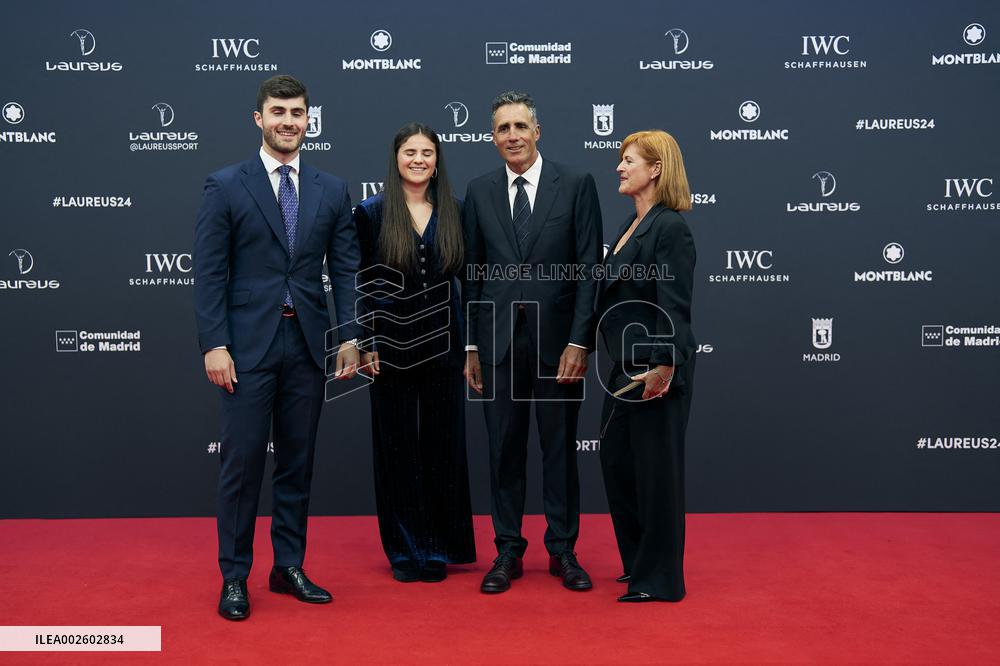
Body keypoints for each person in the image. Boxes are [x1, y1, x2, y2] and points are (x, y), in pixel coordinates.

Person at [194, 74, 362, 620]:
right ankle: (235, 576)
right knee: (242, 465)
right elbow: (209, 273)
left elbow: (345, 268)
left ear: (308, 120)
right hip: (245, 347)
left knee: (297, 462)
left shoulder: (331, 189)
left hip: (308, 344)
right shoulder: (226, 184)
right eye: (278, 112)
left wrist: (350, 334)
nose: (289, 121)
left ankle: (288, 565)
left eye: (297, 112)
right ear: (258, 119)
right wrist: (215, 343)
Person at [462, 91, 602, 594]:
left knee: (560, 450)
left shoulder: (577, 184)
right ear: (493, 136)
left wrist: (580, 340)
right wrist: (472, 348)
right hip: (497, 345)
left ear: (538, 131)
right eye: (503, 128)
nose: (513, 136)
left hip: (557, 346)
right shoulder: (478, 192)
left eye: (521, 126)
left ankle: (563, 551)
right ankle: (507, 551)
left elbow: (590, 270)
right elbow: (473, 275)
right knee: (504, 452)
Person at [352, 123, 476, 583]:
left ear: (437, 160)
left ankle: (441, 546)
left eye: (427, 152)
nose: (419, 159)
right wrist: (365, 341)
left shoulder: (457, 212)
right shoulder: (370, 213)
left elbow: (470, 283)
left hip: (445, 347)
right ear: (396, 158)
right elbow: (359, 281)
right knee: (397, 447)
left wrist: (470, 346)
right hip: (391, 349)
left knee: (444, 448)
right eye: (410, 152)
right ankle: (406, 549)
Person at [596, 130, 697, 602]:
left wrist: (663, 367)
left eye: (629, 159)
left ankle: (660, 580)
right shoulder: (630, 225)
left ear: (655, 169)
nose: (619, 166)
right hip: (622, 369)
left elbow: (673, 305)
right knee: (619, 465)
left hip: (655, 371)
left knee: (657, 475)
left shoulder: (669, 227)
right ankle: (638, 563)